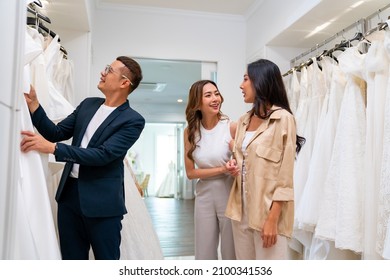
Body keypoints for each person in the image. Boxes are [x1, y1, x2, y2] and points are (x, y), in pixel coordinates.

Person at [20, 56, 145, 260]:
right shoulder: (88, 105)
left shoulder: (133, 120)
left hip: (102, 205)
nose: (102, 72)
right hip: (69, 198)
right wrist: (34, 105)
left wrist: (53, 149)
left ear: (124, 83)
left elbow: (103, 155)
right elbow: (57, 132)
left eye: (109, 70)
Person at [225, 59, 305, 260]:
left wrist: (272, 219)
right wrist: (233, 165)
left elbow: (285, 177)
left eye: (245, 79)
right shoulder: (243, 120)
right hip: (239, 211)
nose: (241, 86)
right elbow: (243, 159)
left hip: (268, 212)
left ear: (260, 81)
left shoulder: (283, 119)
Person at [184, 79, 236, 260]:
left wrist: (233, 166)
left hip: (229, 193)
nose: (215, 98)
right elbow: (191, 173)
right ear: (197, 103)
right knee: (204, 253)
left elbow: (244, 162)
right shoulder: (190, 131)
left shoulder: (231, 127)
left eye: (216, 93)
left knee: (231, 252)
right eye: (208, 95)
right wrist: (223, 169)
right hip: (204, 194)